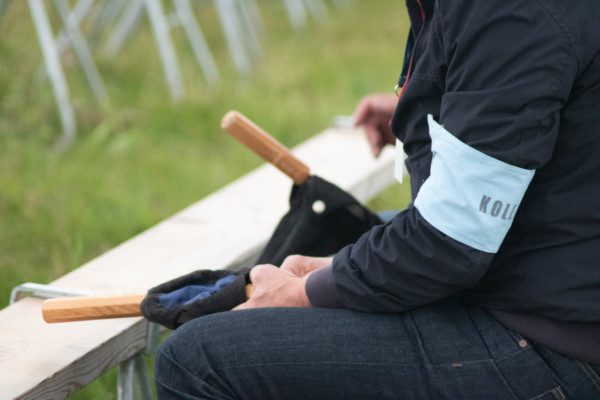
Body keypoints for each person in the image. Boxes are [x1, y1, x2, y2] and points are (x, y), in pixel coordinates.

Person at [154, 1, 600, 398]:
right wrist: (447, 109)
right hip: (546, 276)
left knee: (196, 360)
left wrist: (302, 292)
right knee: (340, 243)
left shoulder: (511, 14)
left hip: (555, 341)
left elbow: (447, 244)